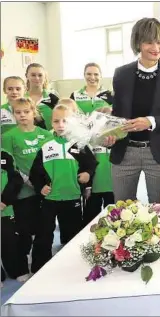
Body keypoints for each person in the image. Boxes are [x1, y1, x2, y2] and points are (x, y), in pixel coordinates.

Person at [103, 18, 160, 204]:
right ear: (138, 43)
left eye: (159, 42)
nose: (156, 47)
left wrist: (152, 121)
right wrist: (109, 135)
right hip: (124, 152)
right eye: (149, 42)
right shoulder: (121, 74)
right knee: (122, 211)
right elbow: (117, 115)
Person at [29, 105, 97, 273]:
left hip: (72, 198)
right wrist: (40, 187)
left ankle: (74, 267)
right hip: (49, 199)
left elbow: (91, 164)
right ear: (51, 122)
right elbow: (35, 173)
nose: (60, 125)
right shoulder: (46, 146)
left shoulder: (79, 145)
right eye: (56, 121)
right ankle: (39, 268)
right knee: (44, 234)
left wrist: (88, 174)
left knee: (73, 234)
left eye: (65, 121)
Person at [1, 98, 52, 272]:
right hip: (23, 192)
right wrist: (29, 182)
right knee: (23, 232)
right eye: (18, 112)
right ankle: (21, 266)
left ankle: (40, 263)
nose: (22, 115)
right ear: (13, 115)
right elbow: (9, 166)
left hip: (45, 191)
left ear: (34, 112)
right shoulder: (8, 137)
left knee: (44, 229)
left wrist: (43, 184)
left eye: (26, 112)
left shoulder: (46, 135)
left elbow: (50, 163)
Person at [1, 149, 31, 283]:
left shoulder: (5, 155)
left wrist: (4, 200)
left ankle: (18, 270)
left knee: (10, 241)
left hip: (5, 210)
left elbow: (16, 180)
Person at [25, 63, 59, 129]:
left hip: (50, 137)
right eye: (33, 75)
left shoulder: (53, 96)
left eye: (40, 75)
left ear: (44, 77)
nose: (37, 78)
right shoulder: (22, 98)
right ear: (26, 76)